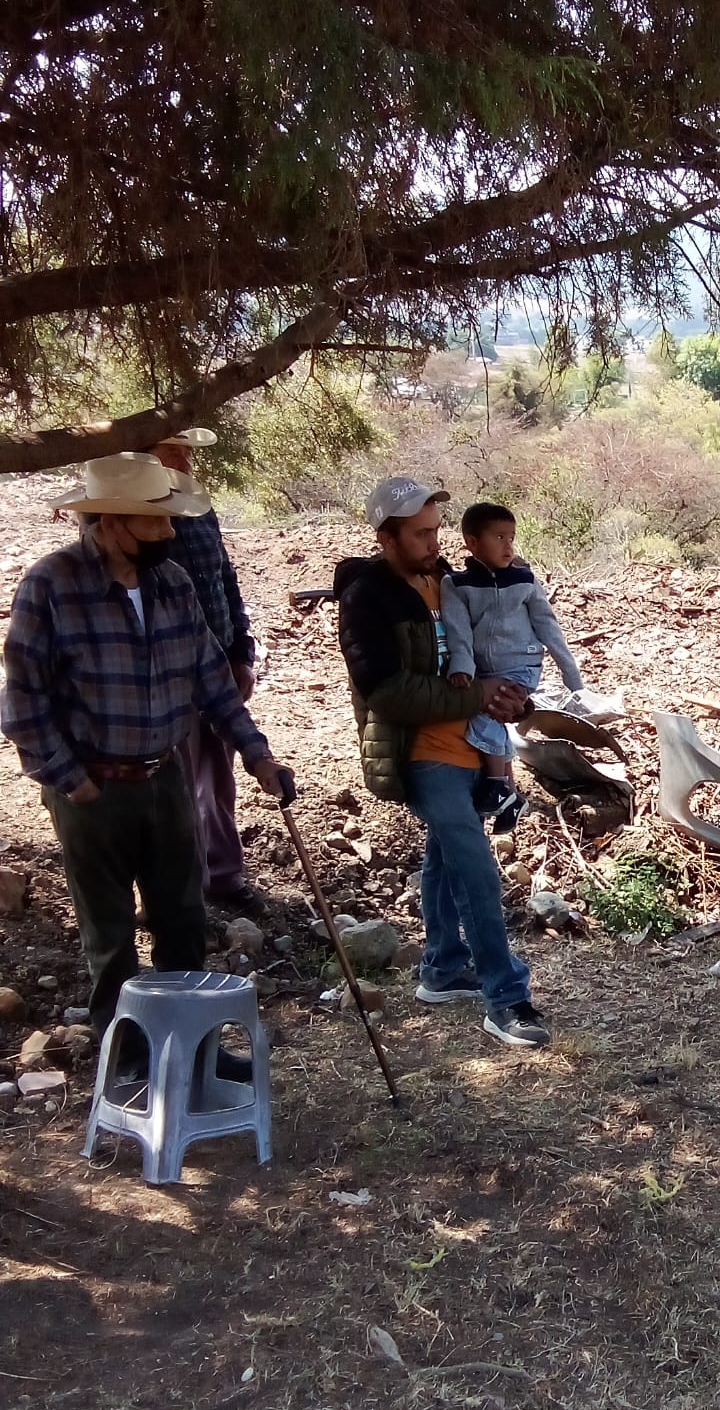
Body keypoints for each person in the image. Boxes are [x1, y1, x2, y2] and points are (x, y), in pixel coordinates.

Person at [0, 452, 294, 1042]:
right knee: (109, 938)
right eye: (155, 520)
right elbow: (22, 704)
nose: (168, 531)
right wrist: (73, 781)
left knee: (184, 923)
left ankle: (191, 1053)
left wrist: (257, 754)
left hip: (166, 777)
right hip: (92, 790)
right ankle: (130, 1061)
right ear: (111, 522)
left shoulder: (172, 583)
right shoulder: (51, 586)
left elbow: (213, 681)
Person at [335, 476, 552, 1048]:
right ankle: (506, 997)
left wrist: (514, 699)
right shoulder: (366, 597)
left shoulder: (449, 578)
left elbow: (493, 650)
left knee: (443, 856)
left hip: (473, 745)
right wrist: (479, 695)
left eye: (436, 530)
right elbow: (387, 693)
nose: (435, 542)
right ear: (386, 538)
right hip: (422, 753)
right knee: (474, 865)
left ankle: (442, 968)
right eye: (420, 534)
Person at [153, 426, 265, 913]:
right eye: (172, 452)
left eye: (186, 453)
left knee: (219, 774)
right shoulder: (135, 522)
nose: (184, 461)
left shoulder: (200, 508)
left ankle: (223, 874)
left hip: (218, 662)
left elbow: (225, 578)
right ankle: (179, 887)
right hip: (165, 673)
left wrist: (242, 650)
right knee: (173, 779)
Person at [441, 501, 587, 833]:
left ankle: (497, 785)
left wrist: (572, 676)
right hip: (482, 669)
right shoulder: (457, 584)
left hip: (522, 664)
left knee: (488, 713)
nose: (508, 546)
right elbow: (458, 630)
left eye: (511, 537)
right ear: (472, 542)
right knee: (489, 715)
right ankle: (509, 795)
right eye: (499, 537)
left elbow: (548, 626)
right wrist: (462, 667)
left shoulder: (524, 580)